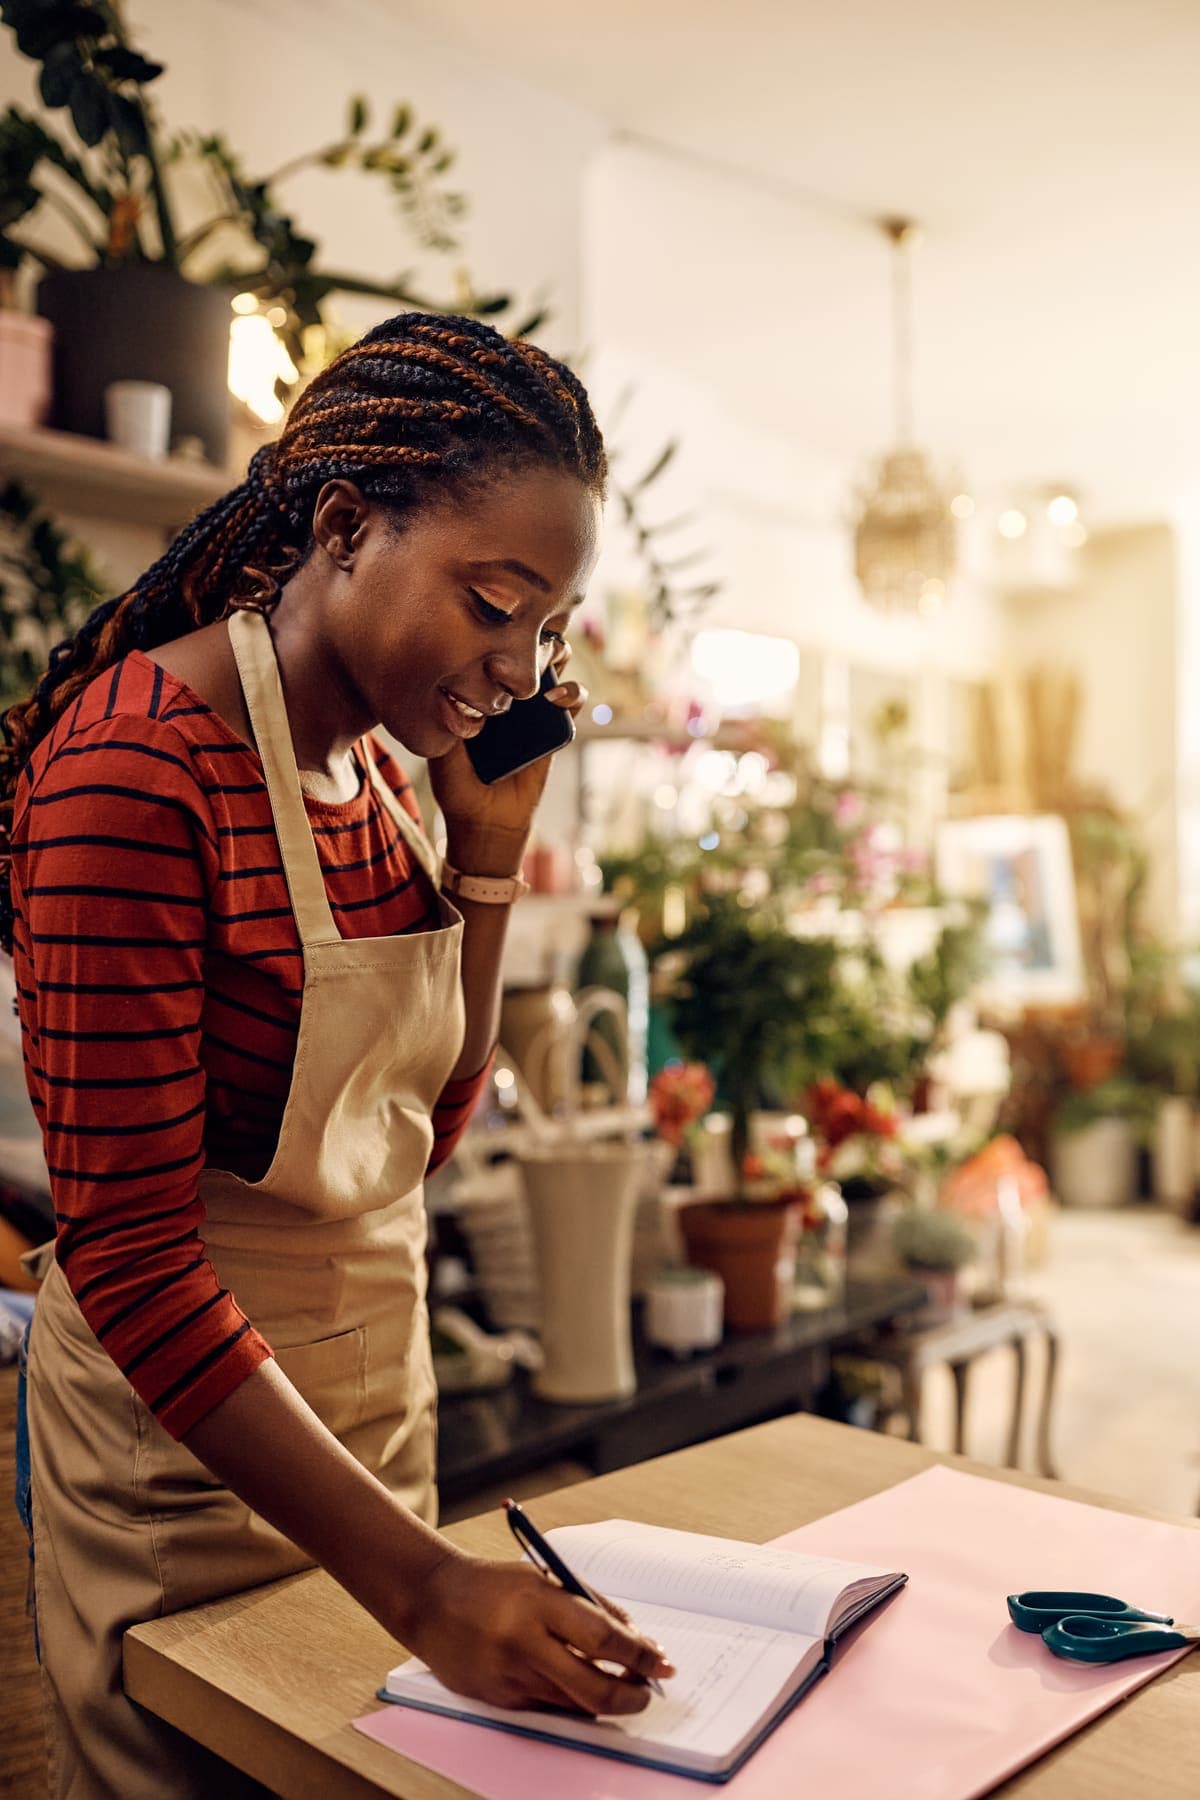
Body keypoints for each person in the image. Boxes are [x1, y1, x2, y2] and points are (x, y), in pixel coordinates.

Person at [2, 313, 674, 1799]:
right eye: (494, 603)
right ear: (346, 526)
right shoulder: (135, 770)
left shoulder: (378, 775)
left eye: (547, 629)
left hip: (375, 1430)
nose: (519, 668)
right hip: (185, 1466)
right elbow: (127, 1257)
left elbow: (425, 1128)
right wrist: (426, 1589)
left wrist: (487, 861)